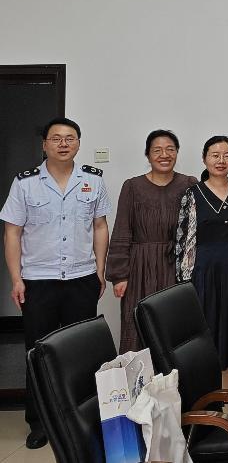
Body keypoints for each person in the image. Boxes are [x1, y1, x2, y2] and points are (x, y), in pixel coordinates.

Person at [0, 117, 111, 449]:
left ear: (78, 143)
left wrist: (100, 271)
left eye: (70, 138)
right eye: (57, 138)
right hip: (38, 281)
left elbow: (100, 226)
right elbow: (12, 232)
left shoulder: (93, 180)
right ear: (44, 144)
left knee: (81, 352)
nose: (64, 143)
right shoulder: (25, 183)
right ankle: (39, 422)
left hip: (81, 278)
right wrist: (16, 278)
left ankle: (81, 419)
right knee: (39, 352)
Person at [176, 136, 228, 389]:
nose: (221, 160)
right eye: (215, 155)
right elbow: (185, 239)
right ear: (204, 159)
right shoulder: (192, 194)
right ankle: (205, 398)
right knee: (206, 334)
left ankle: (226, 398)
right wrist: (184, 280)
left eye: (227, 155)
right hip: (203, 272)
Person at [106, 130, 197, 353]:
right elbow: (122, 230)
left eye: (170, 149)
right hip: (140, 266)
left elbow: (197, 231)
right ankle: (139, 377)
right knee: (137, 324)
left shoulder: (190, 184)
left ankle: (173, 376)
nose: (164, 155)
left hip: (177, 268)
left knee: (174, 325)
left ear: (177, 152)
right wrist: (119, 275)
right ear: (147, 155)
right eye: (157, 150)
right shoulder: (132, 186)